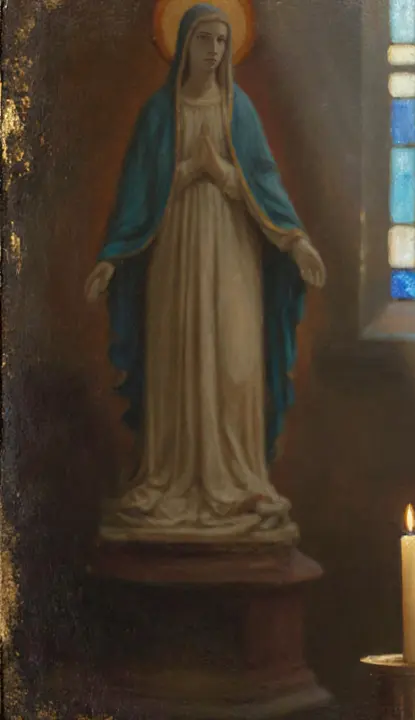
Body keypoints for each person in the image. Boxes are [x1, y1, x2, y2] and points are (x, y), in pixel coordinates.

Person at [84, 3, 326, 538]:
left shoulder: (238, 112)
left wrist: (296, 242)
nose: (214, 51)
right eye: (204, 40)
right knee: (176, 356)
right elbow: (135, 195)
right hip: (174, 254)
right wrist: (111, 257)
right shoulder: (158, 113)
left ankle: (239, 482)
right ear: (184, 45)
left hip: (233, 252)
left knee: (234, 360)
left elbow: (265, 186)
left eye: (221, 40)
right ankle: (170, 479)